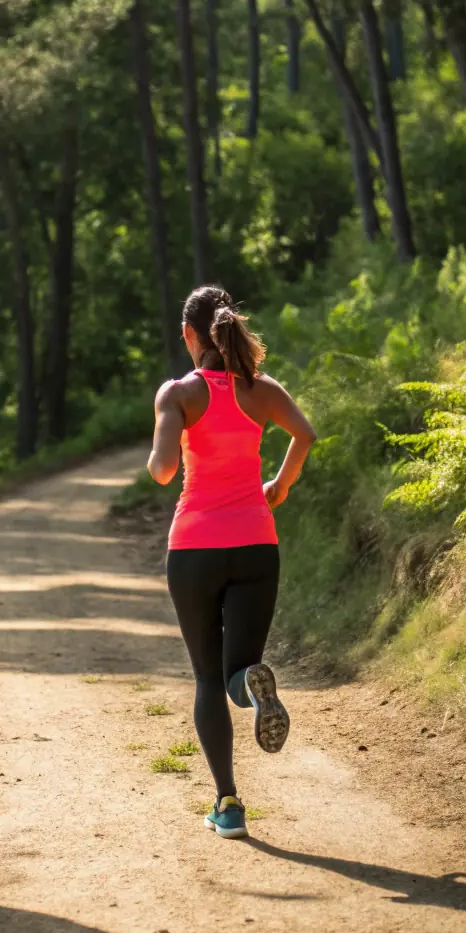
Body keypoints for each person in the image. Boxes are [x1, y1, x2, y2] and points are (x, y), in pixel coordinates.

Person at [147, 285, 316, 840]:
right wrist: (279, 486)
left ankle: (228, 803)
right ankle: (250, 683)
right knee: (237, 670)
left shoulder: (178, 393)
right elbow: (305, 434)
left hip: (194, 548)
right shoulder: (262, 389)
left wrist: (166, 438)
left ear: (188, 334)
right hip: (255, 545)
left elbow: (163, 471)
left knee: (204, 676)